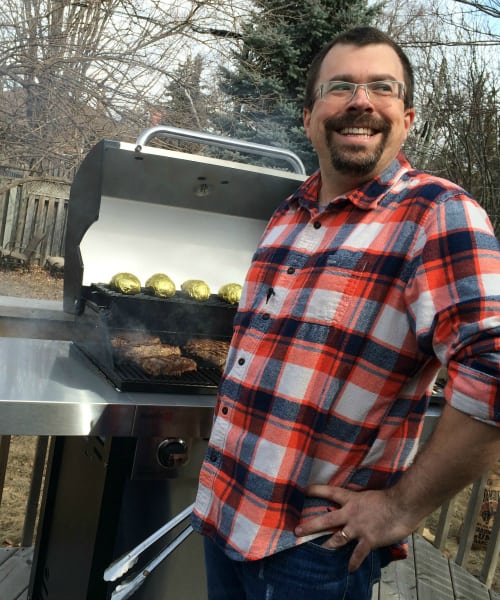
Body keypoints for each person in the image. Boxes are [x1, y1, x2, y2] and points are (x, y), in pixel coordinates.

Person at [191, 26, 500, 599]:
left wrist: (401, 508)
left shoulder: (437, 215)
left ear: (407, 118)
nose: (361, 100)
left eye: (382, 87)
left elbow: (494, 368)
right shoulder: (290, 212)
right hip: (224, 516)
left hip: (310, 552)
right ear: (309, 117)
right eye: (341, 87)